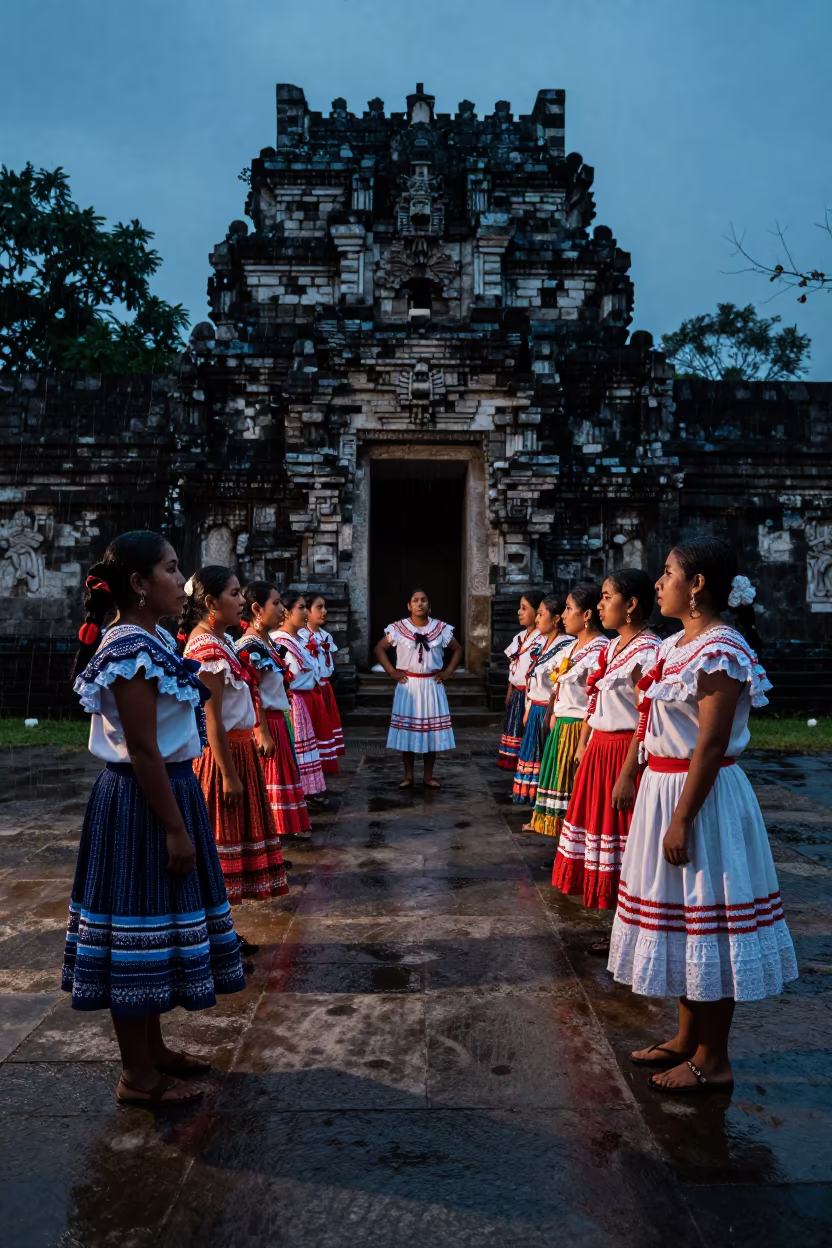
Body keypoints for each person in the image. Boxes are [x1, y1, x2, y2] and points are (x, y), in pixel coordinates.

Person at [608, 539, 798, 1095]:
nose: (659, 582)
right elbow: (651, 720)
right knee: (684, 916)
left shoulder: (722, 647)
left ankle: (714, 1057)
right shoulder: (673, 646)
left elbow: (711, 742)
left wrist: (683, 818)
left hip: (701, 795)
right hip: (664, 787)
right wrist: (632, 773)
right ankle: (687, 1035)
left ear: (696, 585)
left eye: (668, 573)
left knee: (708, 914)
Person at [64, 532, 246, 1107]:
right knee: (134, 928)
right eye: (171, 569)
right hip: (144, 800)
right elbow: (142, 747)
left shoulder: (154, 638)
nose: (180, 579)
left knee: (156, 922)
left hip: (165, 789)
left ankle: (155, 1050)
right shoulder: (128, 647)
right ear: (140, 584)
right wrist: (173, 826)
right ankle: (137, 1075)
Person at [552, 570, 660, 952]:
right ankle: (620, 925)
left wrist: (628, 773)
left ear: (630, 605)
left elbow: (645, 717)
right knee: (607, 838)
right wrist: (585, 743)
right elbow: (595, 702)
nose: (600, 605)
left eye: (607, 596)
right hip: (600, 748)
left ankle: (633, 928)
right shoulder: (611, 648)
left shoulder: (647, 652)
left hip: (623, 754)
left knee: (625, 842)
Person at [181, 567, 289, 945]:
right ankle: (209, 934)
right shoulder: (207, 649)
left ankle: (218, 929)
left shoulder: (221, 641)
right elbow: (211, 722)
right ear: (211, 603)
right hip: (222, 756)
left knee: (227, 843)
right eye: (234, 593)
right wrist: (228, 774)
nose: (242, 601)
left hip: (238, 751)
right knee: (217, 844)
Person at [529, 584, 606, 835]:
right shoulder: (572, 647)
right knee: (559, 787)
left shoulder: (599, 650)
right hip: (562, 725)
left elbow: (596, 700)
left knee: (574, 791)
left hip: (578, 728)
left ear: (586, 615)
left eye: (569, 609)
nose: (563, 616)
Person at [237, 581, 312, 841]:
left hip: (278, 720)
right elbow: (251, 690)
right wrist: (262, 732)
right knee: (268, 783)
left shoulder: (266, 642)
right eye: (276, 603)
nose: (282, 609)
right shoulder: (250, 646)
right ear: (257, 609)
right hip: (266, 722)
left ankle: (279, 834)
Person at [374, 588, 462, 790]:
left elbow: (458, 649)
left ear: (429, 606)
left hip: (432, 684)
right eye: (415, 600)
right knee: (408, 731)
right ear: (409, 605)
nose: (419, 603)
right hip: (409, 685)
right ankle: (408, 775)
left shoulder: (440, 628)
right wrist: (391, 671)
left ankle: (428, 776)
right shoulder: (397, 628)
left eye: (423, 600)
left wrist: (448, 670)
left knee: (430, 731)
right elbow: (379, 648)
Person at [512, 596, 571, 808]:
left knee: (547, 761)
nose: (536, 619)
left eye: (540, 614)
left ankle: (544, 805)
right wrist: (528, 707)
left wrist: (552, 712)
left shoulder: (566, 646)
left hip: (548, 711)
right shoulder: (543, 644)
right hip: (536, 708)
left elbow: (560, 686)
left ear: (556, 619)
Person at [270, 590, 328, 803]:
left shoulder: (302, 638)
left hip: (305, 700)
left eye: (306, 607)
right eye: (301, 608)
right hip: (291, 702)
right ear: (286, 612)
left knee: (304, 749)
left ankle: (304, 791)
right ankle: (293, 793)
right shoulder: (278, 640)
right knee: (294, 750)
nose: (305, 612)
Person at [498, 590, 545, 771]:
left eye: (524, 608)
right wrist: (509, 691)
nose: (519, 612)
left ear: (537, 613)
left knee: (526, 734)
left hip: (529, 694)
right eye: (520, 608)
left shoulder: (541, 640)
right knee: (514, 729)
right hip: (517, 693)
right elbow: (514, 669)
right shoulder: (519, 637)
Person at [302, 593, 345, 758]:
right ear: (307, 612)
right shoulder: (301, 637)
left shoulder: (326, 636)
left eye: (324, 607)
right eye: (319, 607)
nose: (324, 611)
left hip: (325, 687)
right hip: (312, 689)